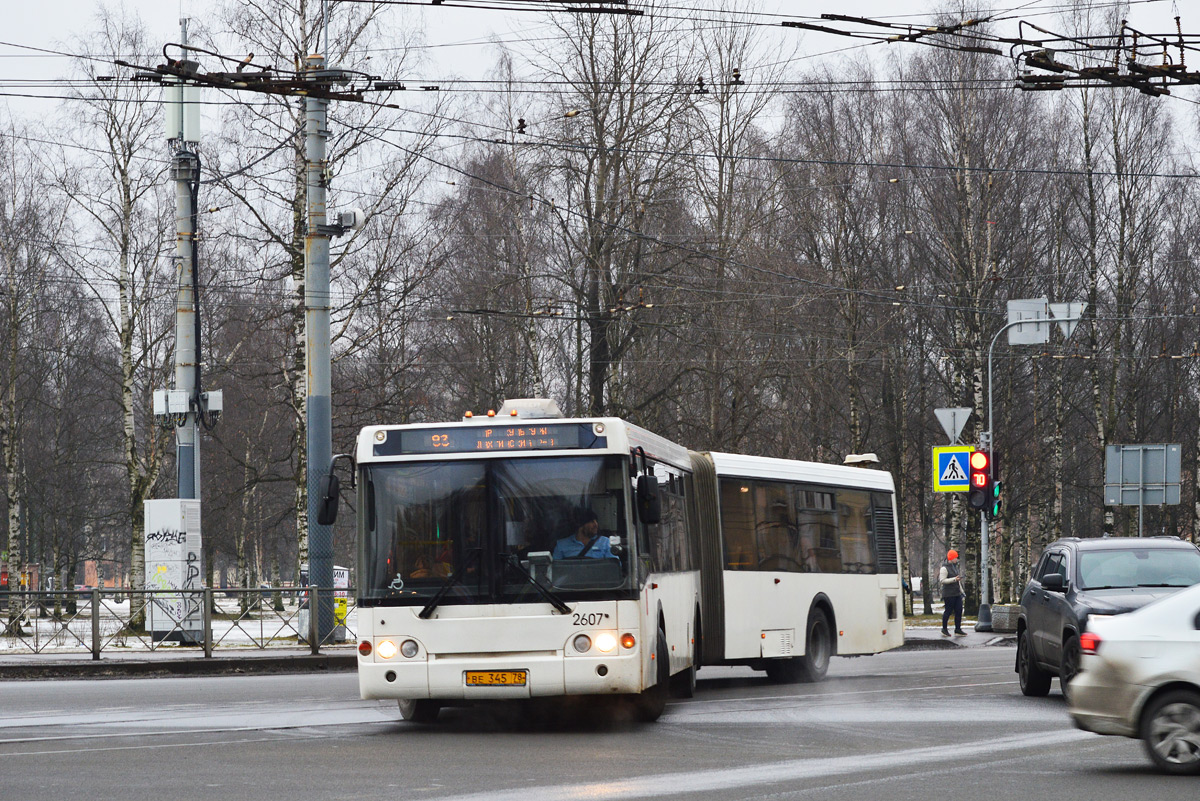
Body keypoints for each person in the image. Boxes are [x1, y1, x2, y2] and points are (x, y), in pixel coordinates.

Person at [939, 549, 966, 636]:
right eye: (955, 558)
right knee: (948, 611)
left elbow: (958, 582)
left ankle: (957, 629)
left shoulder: (955, 567)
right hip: (948, 594)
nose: (956, 559)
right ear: (951, 558)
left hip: (956, 593)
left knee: (959, 610)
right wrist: (954, 579)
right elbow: (942, 580)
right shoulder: (944, 568)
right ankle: (944, 628)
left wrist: (962, 592)